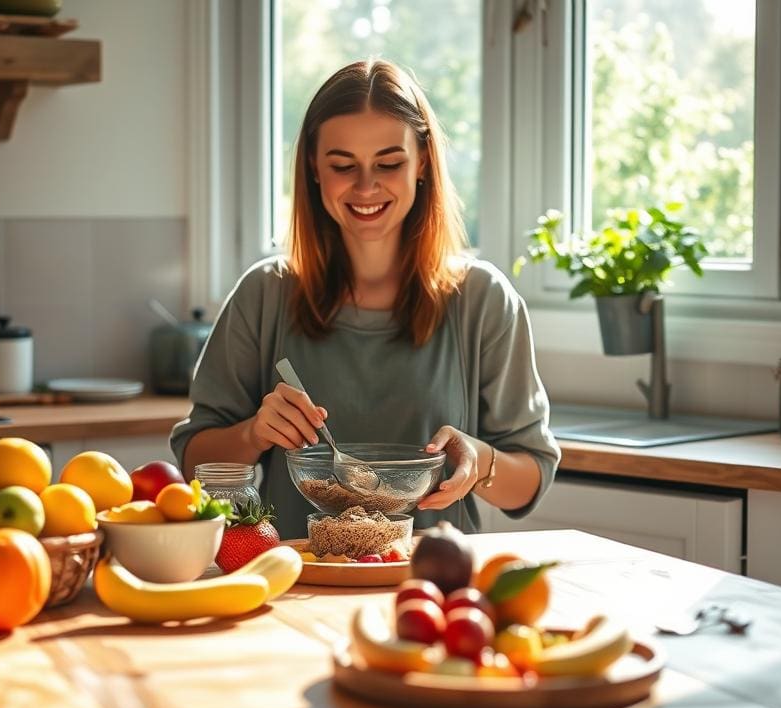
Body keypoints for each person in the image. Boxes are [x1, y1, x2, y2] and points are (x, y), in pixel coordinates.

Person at [171, 59, 560, 540]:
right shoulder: (264, 293)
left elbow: (532, 479)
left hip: (432, 587)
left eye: (389, 163)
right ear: (313, 168)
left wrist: (479, 462)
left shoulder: (483, 299)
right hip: (295, 585)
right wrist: (254, 432)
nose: (365, 187)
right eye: (342, 165)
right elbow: (194, 462)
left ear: (422, 165)